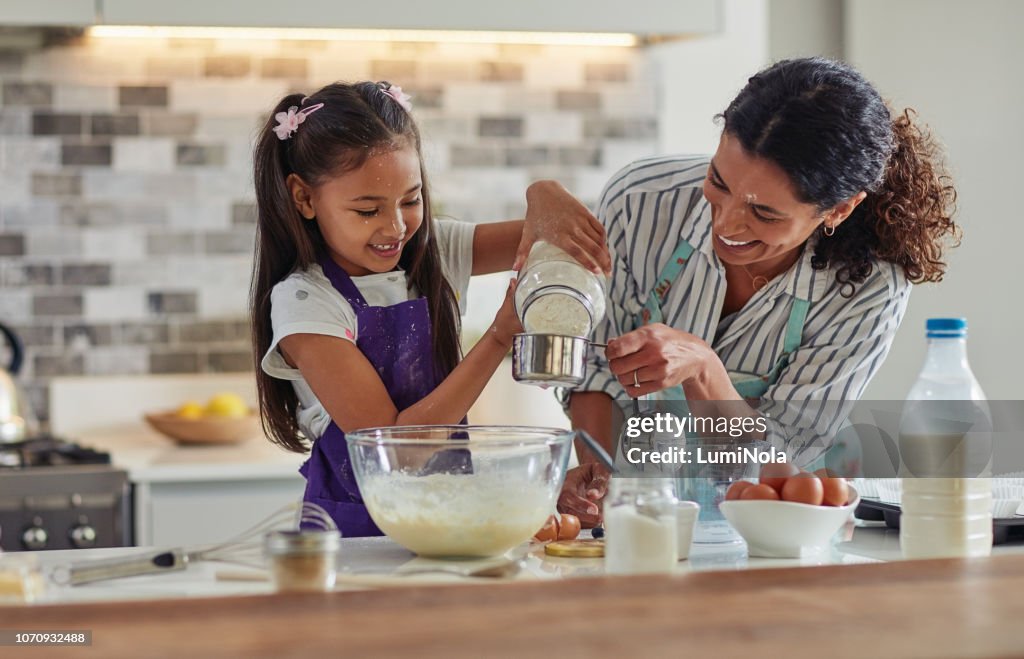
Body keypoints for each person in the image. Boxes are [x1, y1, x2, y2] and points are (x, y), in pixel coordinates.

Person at [536, 57, 960, 527]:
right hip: (646, 515)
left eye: (764, 213)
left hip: (770, 527)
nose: (727, 223)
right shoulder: (640, 202)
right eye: (719, 182)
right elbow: (594, 369)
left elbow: (778, 459)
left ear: (839, 209)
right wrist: (601, 476)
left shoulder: (868, 288)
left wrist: (702, 367)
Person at [250, 81, 610, 536]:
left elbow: (551, 235)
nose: (396, 227)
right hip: (356, 536)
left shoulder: (432, 252)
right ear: (304, 198)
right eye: (367, 211)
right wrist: (500, 337)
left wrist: (544, 191)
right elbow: (400, 450)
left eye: (411, 200)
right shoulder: (306, 303)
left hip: (442, 519)